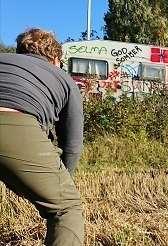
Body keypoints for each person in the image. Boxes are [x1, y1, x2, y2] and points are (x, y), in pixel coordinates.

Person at [0, 28, 84, 245]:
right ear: (55, 59)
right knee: (67, 209)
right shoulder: (62, 78)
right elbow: (72, 145)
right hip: (12, 125)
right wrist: (64, 183)